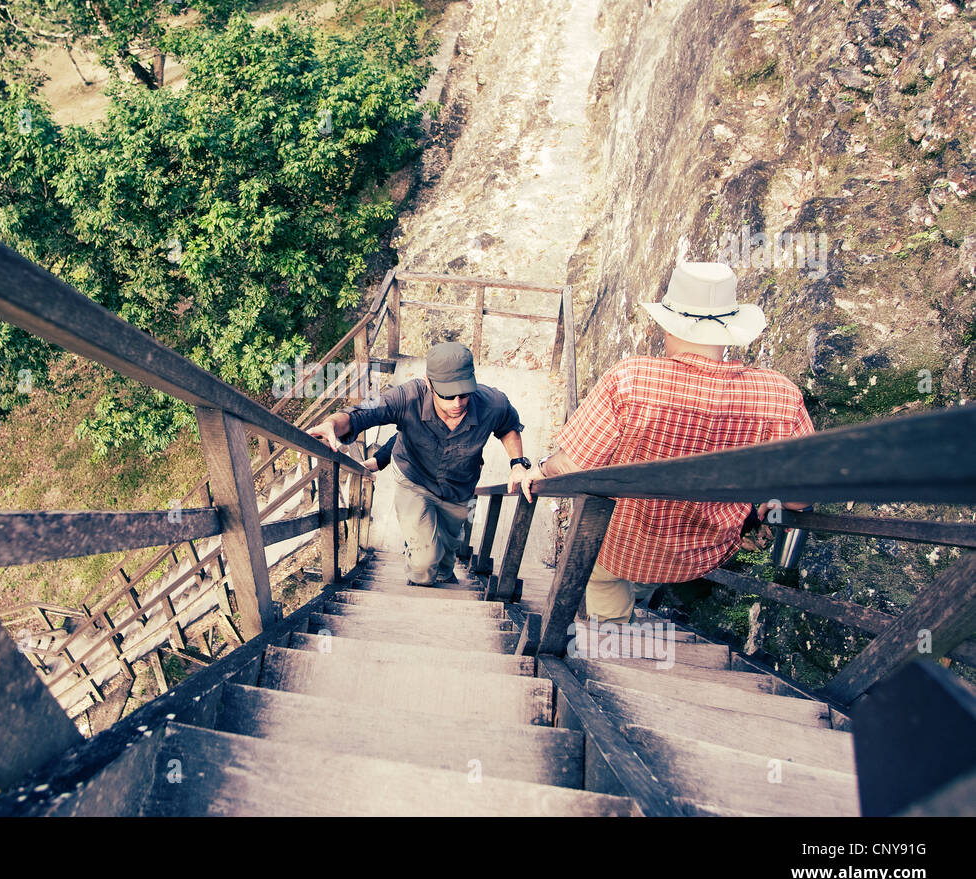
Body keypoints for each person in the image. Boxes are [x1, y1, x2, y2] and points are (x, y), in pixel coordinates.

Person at [522, 262, 814, 622]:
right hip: (700, 554)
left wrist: (538, 470)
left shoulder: (632, 380)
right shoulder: (780, 396)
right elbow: (802, 497)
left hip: (621, 545)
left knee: (604, 584)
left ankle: (611, 630)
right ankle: (641, 602)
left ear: (668, 323)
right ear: (730, 328)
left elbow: (575, 465)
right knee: (647, 581)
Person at [308, 342, 532, 586]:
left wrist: (517, 463)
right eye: (447, 394)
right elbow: (360, 415)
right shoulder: (407, 397)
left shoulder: (493, 403)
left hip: (460, 488)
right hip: (414, 479)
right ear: (429, 382)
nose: (457, 403)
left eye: (464, 393)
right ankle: (418, 577)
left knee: (448, 553)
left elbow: (508, 427)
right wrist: (332, 423)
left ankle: (441, 568)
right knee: (426, 560)